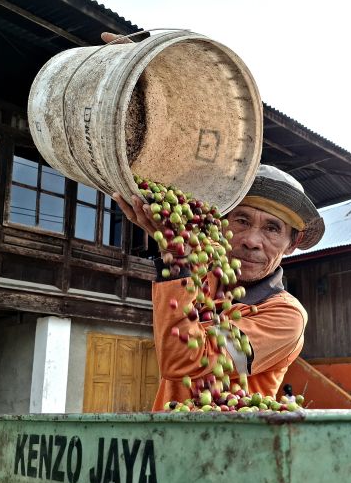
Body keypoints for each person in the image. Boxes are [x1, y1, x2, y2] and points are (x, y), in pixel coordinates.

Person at [113, 165, 325, 410]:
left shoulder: (286, 316)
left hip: (227, 444)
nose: (252, 241)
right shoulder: (200, 273)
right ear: (221, 224)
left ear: (292, 243)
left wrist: (176, 259)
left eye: (272, 228)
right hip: (167, 436)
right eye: (242, 221)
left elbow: (184, 360)